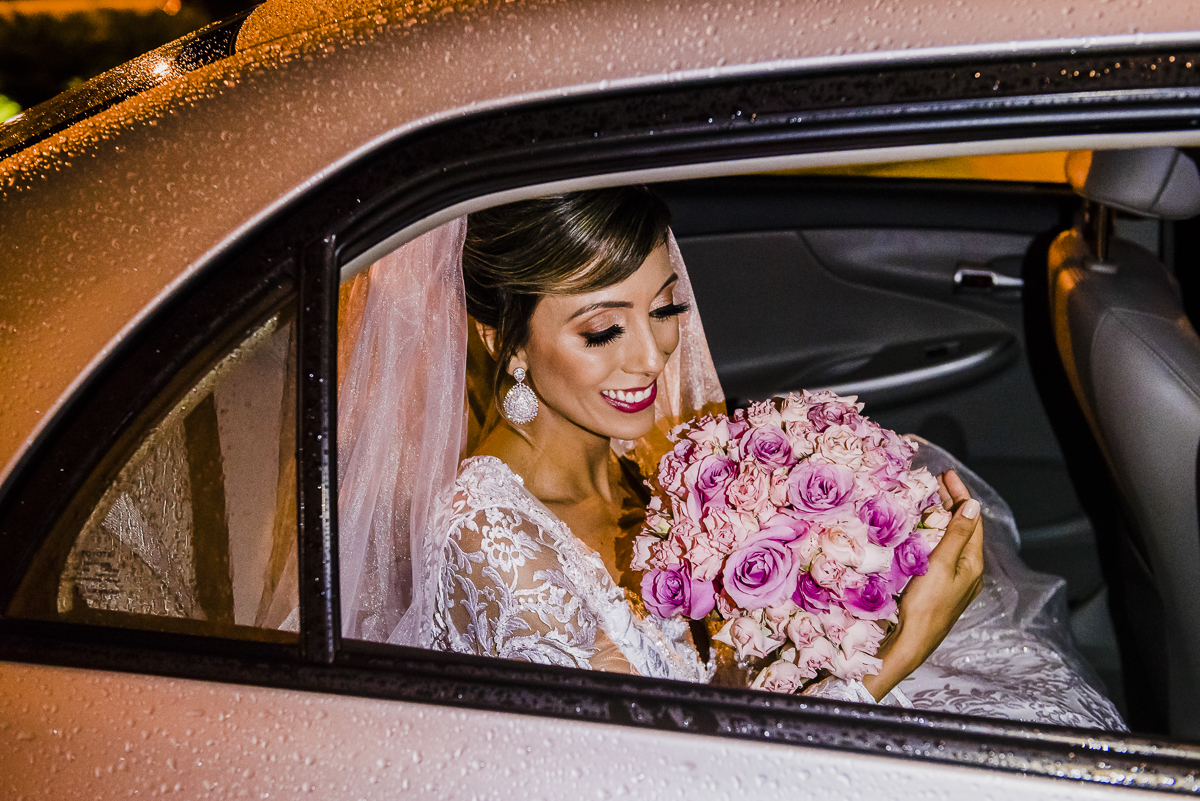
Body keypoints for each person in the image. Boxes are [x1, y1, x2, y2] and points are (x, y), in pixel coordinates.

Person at [332, 187, 1125, 729]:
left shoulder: (639, 459)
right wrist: (898, 648)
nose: (651, 356)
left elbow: (707, 685)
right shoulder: (486, 538)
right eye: (603, 330)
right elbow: (659, 775)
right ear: (496, 335)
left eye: (664, 306)